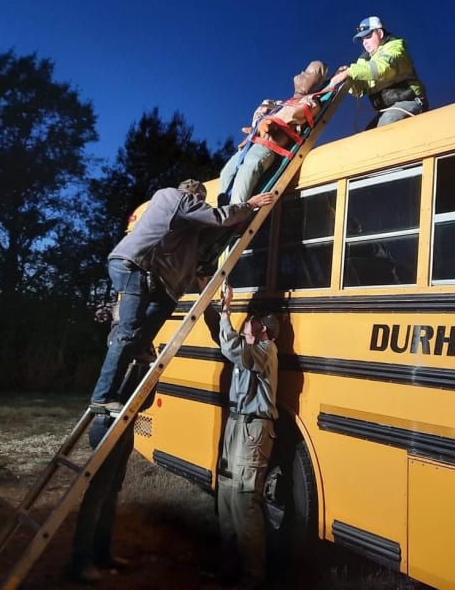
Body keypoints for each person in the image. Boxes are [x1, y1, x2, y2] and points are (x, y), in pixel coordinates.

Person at [90, 179, 275, 412]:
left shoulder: (181, 222)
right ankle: (103, 396)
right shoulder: (175, 197)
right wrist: (249, 205)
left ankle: (138, 346)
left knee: (163, 306)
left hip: (152, 275)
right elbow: (219, 217)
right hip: (136, 266)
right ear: (195, 195)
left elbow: (193, 248)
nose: (201, 204)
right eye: (201, 200)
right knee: (128, 332)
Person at [214, 285, 280, 589]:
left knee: (243, 500)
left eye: (252, 319)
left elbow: (233, 350)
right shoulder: (250, 347)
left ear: (263, 328)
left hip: (253, 430)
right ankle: (228, 568)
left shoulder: (264, 350)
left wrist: (226, 311)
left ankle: (253, 578)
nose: (247, 320)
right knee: (226, 494)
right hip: (236, 424)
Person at [219, 60, 328, 205]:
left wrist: (271, 123)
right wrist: (258, 124)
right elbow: (262, 113)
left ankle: (236, 211)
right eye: (304, 70)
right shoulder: (280, 103)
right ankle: (221, 212)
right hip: (249, 146)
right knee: (227, 172)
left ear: (319, 83)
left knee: (248, 169)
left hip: (266, 147)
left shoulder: (310, 102)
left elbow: (295, 114)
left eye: (310, 73)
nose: (302, 74)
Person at [67, 414, 135, 584]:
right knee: (97, 495)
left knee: (111, 493)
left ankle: (102, 553)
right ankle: (80, 561)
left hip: (126, 424)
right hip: (109, 425)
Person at [328, 15, 428, 130]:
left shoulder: (395, 47)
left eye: (368, 36)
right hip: (386, 110)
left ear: (380, 33)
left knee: (386, 124)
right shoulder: (364, 60)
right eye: (363, 39)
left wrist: (350, 72)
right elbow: (359, 89)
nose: (365, 42)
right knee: (367, 135)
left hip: (409, 102)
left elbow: (383, 68)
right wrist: (348, 80)